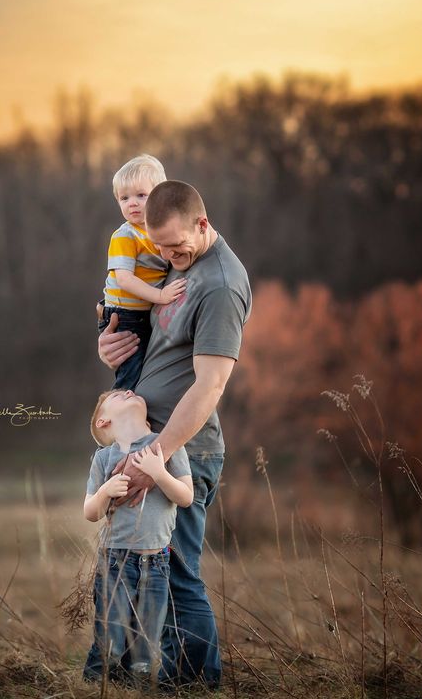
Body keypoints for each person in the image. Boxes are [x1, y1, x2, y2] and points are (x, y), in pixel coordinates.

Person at [84, 179, 252, 690]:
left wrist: (151, 459)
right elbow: (156, 341)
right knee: (128, 569)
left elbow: (211, 383)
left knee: (177, 575)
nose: (167, 255)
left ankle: (193, 683)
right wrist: (107, 346)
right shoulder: (179, 265)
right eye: (157, 246)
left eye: (176, 246)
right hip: (146, 445)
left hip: (183, 451)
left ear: (203, 224)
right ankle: (117, 672)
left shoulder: (220, 283)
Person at [83, 387, 192, 687]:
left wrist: (159, 473)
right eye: (118, 395)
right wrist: (105, 491)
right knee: (112, 638)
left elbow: (185, 497)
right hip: (115, 560)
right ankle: (95, 686)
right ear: (103, 421)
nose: (129, 390)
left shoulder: (168, 447)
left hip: (156, 562)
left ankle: (136, 688)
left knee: (146, 644)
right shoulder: (104, 458)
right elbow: (90, 512)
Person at [99, 155, 187, 392]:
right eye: (124, 198)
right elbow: (124, 279)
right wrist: (160, 297)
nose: (132, 203)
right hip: (125, 314)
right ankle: (122, 416)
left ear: (160, 197)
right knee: (132, 376)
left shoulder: (156, 234)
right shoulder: (125, 236)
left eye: (141, 195)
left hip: (141, 312)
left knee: (151, 371)